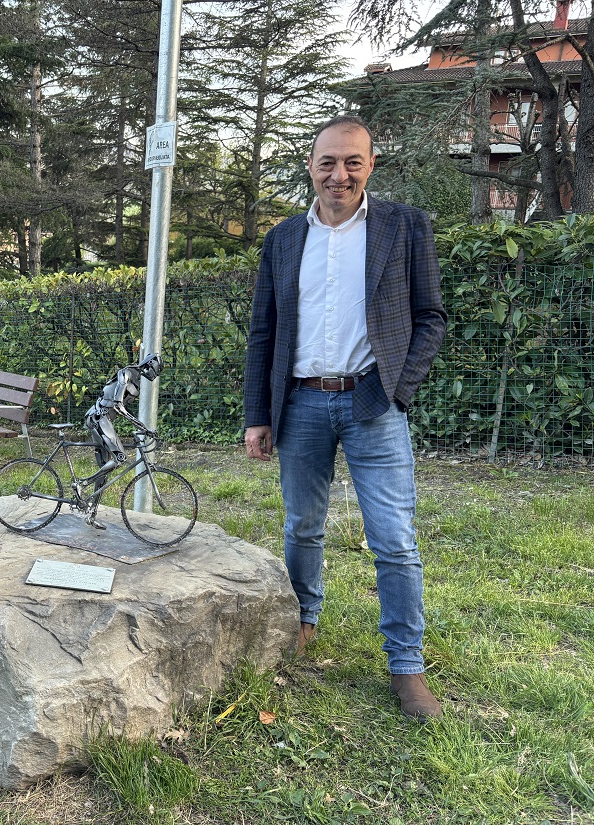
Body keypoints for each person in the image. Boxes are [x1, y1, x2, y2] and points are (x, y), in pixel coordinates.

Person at [242, 114, 448, 721]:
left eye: (353, 162)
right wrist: (258, 414)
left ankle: (406, 665)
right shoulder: (283, 238)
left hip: (373, 402)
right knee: (302, 526)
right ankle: (302, 620)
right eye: (328, 162)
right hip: (301, 403)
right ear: (310, 166)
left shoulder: (404, 227)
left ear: (370, 165)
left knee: (394, 540)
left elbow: (430, 318)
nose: (340, 174)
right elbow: (263, 333)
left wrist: (395, 390)